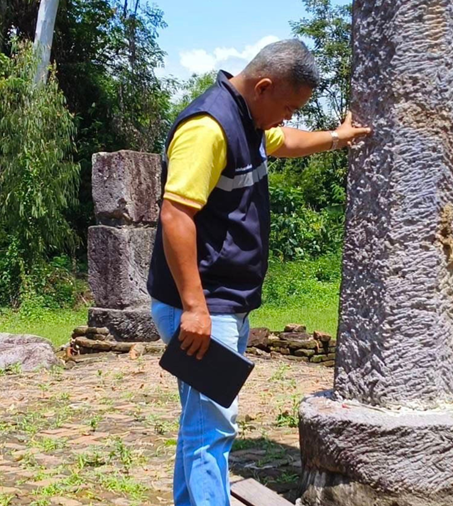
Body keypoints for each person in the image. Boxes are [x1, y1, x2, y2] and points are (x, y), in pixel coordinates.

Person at [147, 39, 372, 506]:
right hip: (204, 304)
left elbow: (282, 141)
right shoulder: (209, 127)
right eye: (287, 106)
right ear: (264, 86)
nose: (287, 117)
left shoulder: (248, 120)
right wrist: (194, 307)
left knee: (200, 423)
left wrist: (335, 137)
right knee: (214, 426)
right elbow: (175, 216)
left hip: (225, 300)